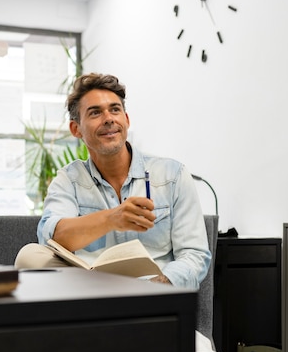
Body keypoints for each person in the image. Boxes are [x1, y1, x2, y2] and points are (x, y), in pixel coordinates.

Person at [15, 72, 211, 289]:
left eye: (115, 109)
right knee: (30, 256)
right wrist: (112, 219)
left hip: (153, 294)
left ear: (126, 120)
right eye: (95, 112)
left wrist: (157, 286)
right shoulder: (68, 180)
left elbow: (195, 254)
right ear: (76, 129)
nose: (108, 118)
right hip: (91, 288)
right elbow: (54, 238)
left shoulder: (172, 175)